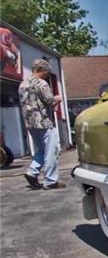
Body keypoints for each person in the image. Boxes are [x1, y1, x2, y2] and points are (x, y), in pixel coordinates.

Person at [19, 59, 65, 190]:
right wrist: (58, 98)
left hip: (29, 123)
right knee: (52, 150)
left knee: (42, 149)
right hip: (43, 122)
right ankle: (50, 181)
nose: (47, 74)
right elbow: (50, 101)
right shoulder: (41, 83)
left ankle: (32, 172)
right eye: (47, 71)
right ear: (41, 70)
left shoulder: (22, 84)